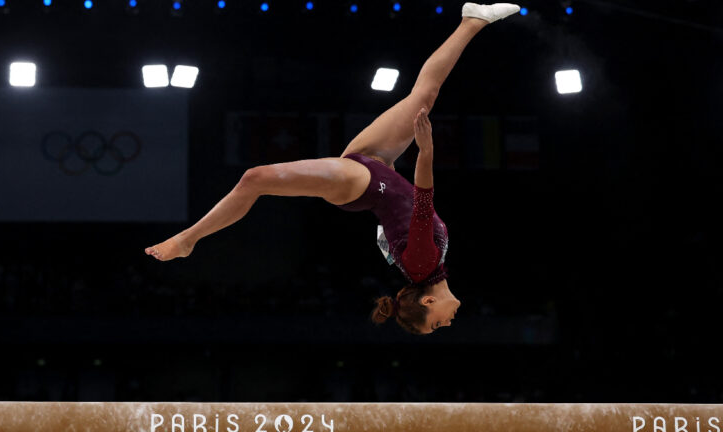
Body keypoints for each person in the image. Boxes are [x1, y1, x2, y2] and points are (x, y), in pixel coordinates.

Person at [145, 3, 521, 334]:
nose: (448, 323)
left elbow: (423, 202)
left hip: (362, 184)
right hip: (376, 169)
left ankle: (188, 240)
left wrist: (426, 150)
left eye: (437, 323)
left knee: (255, 178)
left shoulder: (423, 267)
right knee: (424, 95)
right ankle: (472, 20)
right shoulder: (429, 268)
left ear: (426, 303)